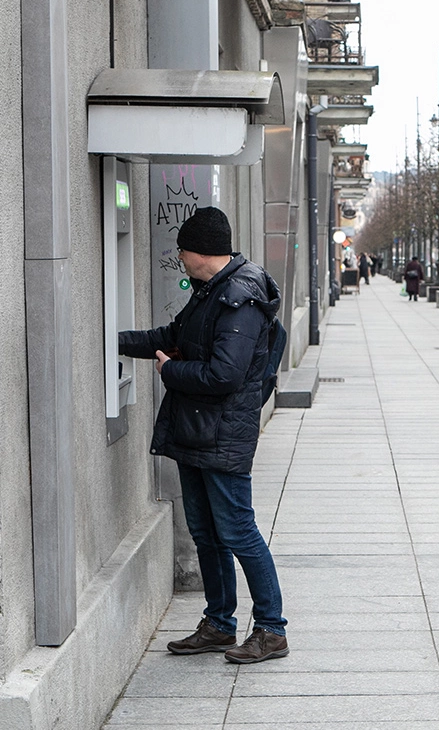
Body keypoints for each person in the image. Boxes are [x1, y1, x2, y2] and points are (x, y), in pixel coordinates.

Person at [119, 207, 289, 664]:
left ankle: (272, 630)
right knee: (206, 532)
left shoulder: (239, 298)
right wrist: (111, 339)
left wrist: (170, 371)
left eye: (183, 249)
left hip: (223, 435)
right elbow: (171, 335)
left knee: (237, 530)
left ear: (199, 252)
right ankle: (219, 623)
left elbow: (224, 375)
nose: (179, 257)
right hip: (198, 431)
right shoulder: (210, 291)